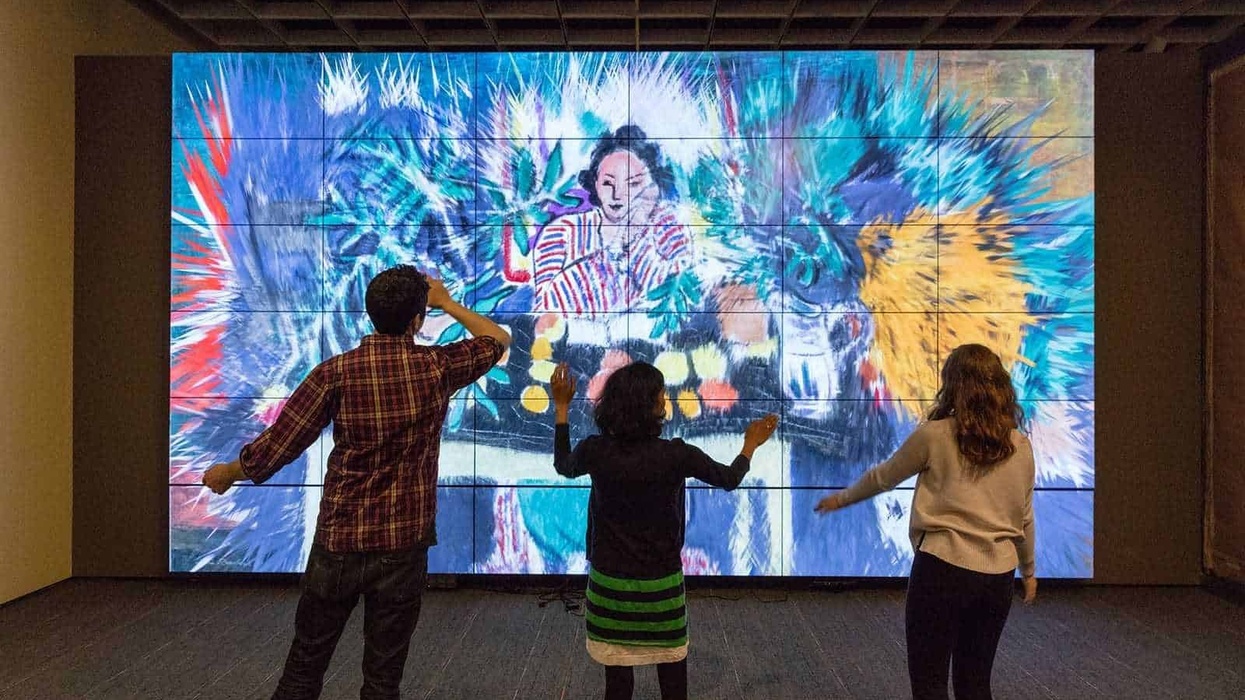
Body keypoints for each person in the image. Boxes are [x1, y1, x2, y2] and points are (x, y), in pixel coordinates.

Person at [201, 265, 511, 700]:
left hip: (340, 540)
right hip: (403, 546)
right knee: (383, 679)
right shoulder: (436, 368)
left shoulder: (335, 373)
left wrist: (227, 474)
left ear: (369, 313)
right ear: (418, 319)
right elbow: (499, 340)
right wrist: (446, 302)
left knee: (304, 666)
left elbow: (280, 444)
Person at [814, 343, 1038, 700]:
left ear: (954, 385)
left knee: (930, 684)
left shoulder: (934, 436)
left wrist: (842, 498)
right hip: (997, 581)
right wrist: (1028, 572)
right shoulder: (1020, 445)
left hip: (941, 572)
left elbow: (884, 477)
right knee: (976, 684)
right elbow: (1024, 517)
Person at [549, 361, 778, 700]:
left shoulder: (596, 450)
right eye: (660, 394)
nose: (665, 399)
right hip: (662, 588)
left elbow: (563, 465)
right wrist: (749, 445)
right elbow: (729, 479)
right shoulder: (676, 455)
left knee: (617, 686)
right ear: (650, 405)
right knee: (673, 684)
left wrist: (562, 407)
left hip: (609, 587)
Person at [532, 125, 693, 317]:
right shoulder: (561, 234)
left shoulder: (667, 227)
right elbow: (548, 313)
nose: (618, 195)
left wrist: (637, 235)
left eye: (633, 184)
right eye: (608, 183)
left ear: (654, 185)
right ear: (595, 183)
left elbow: (673, 305)